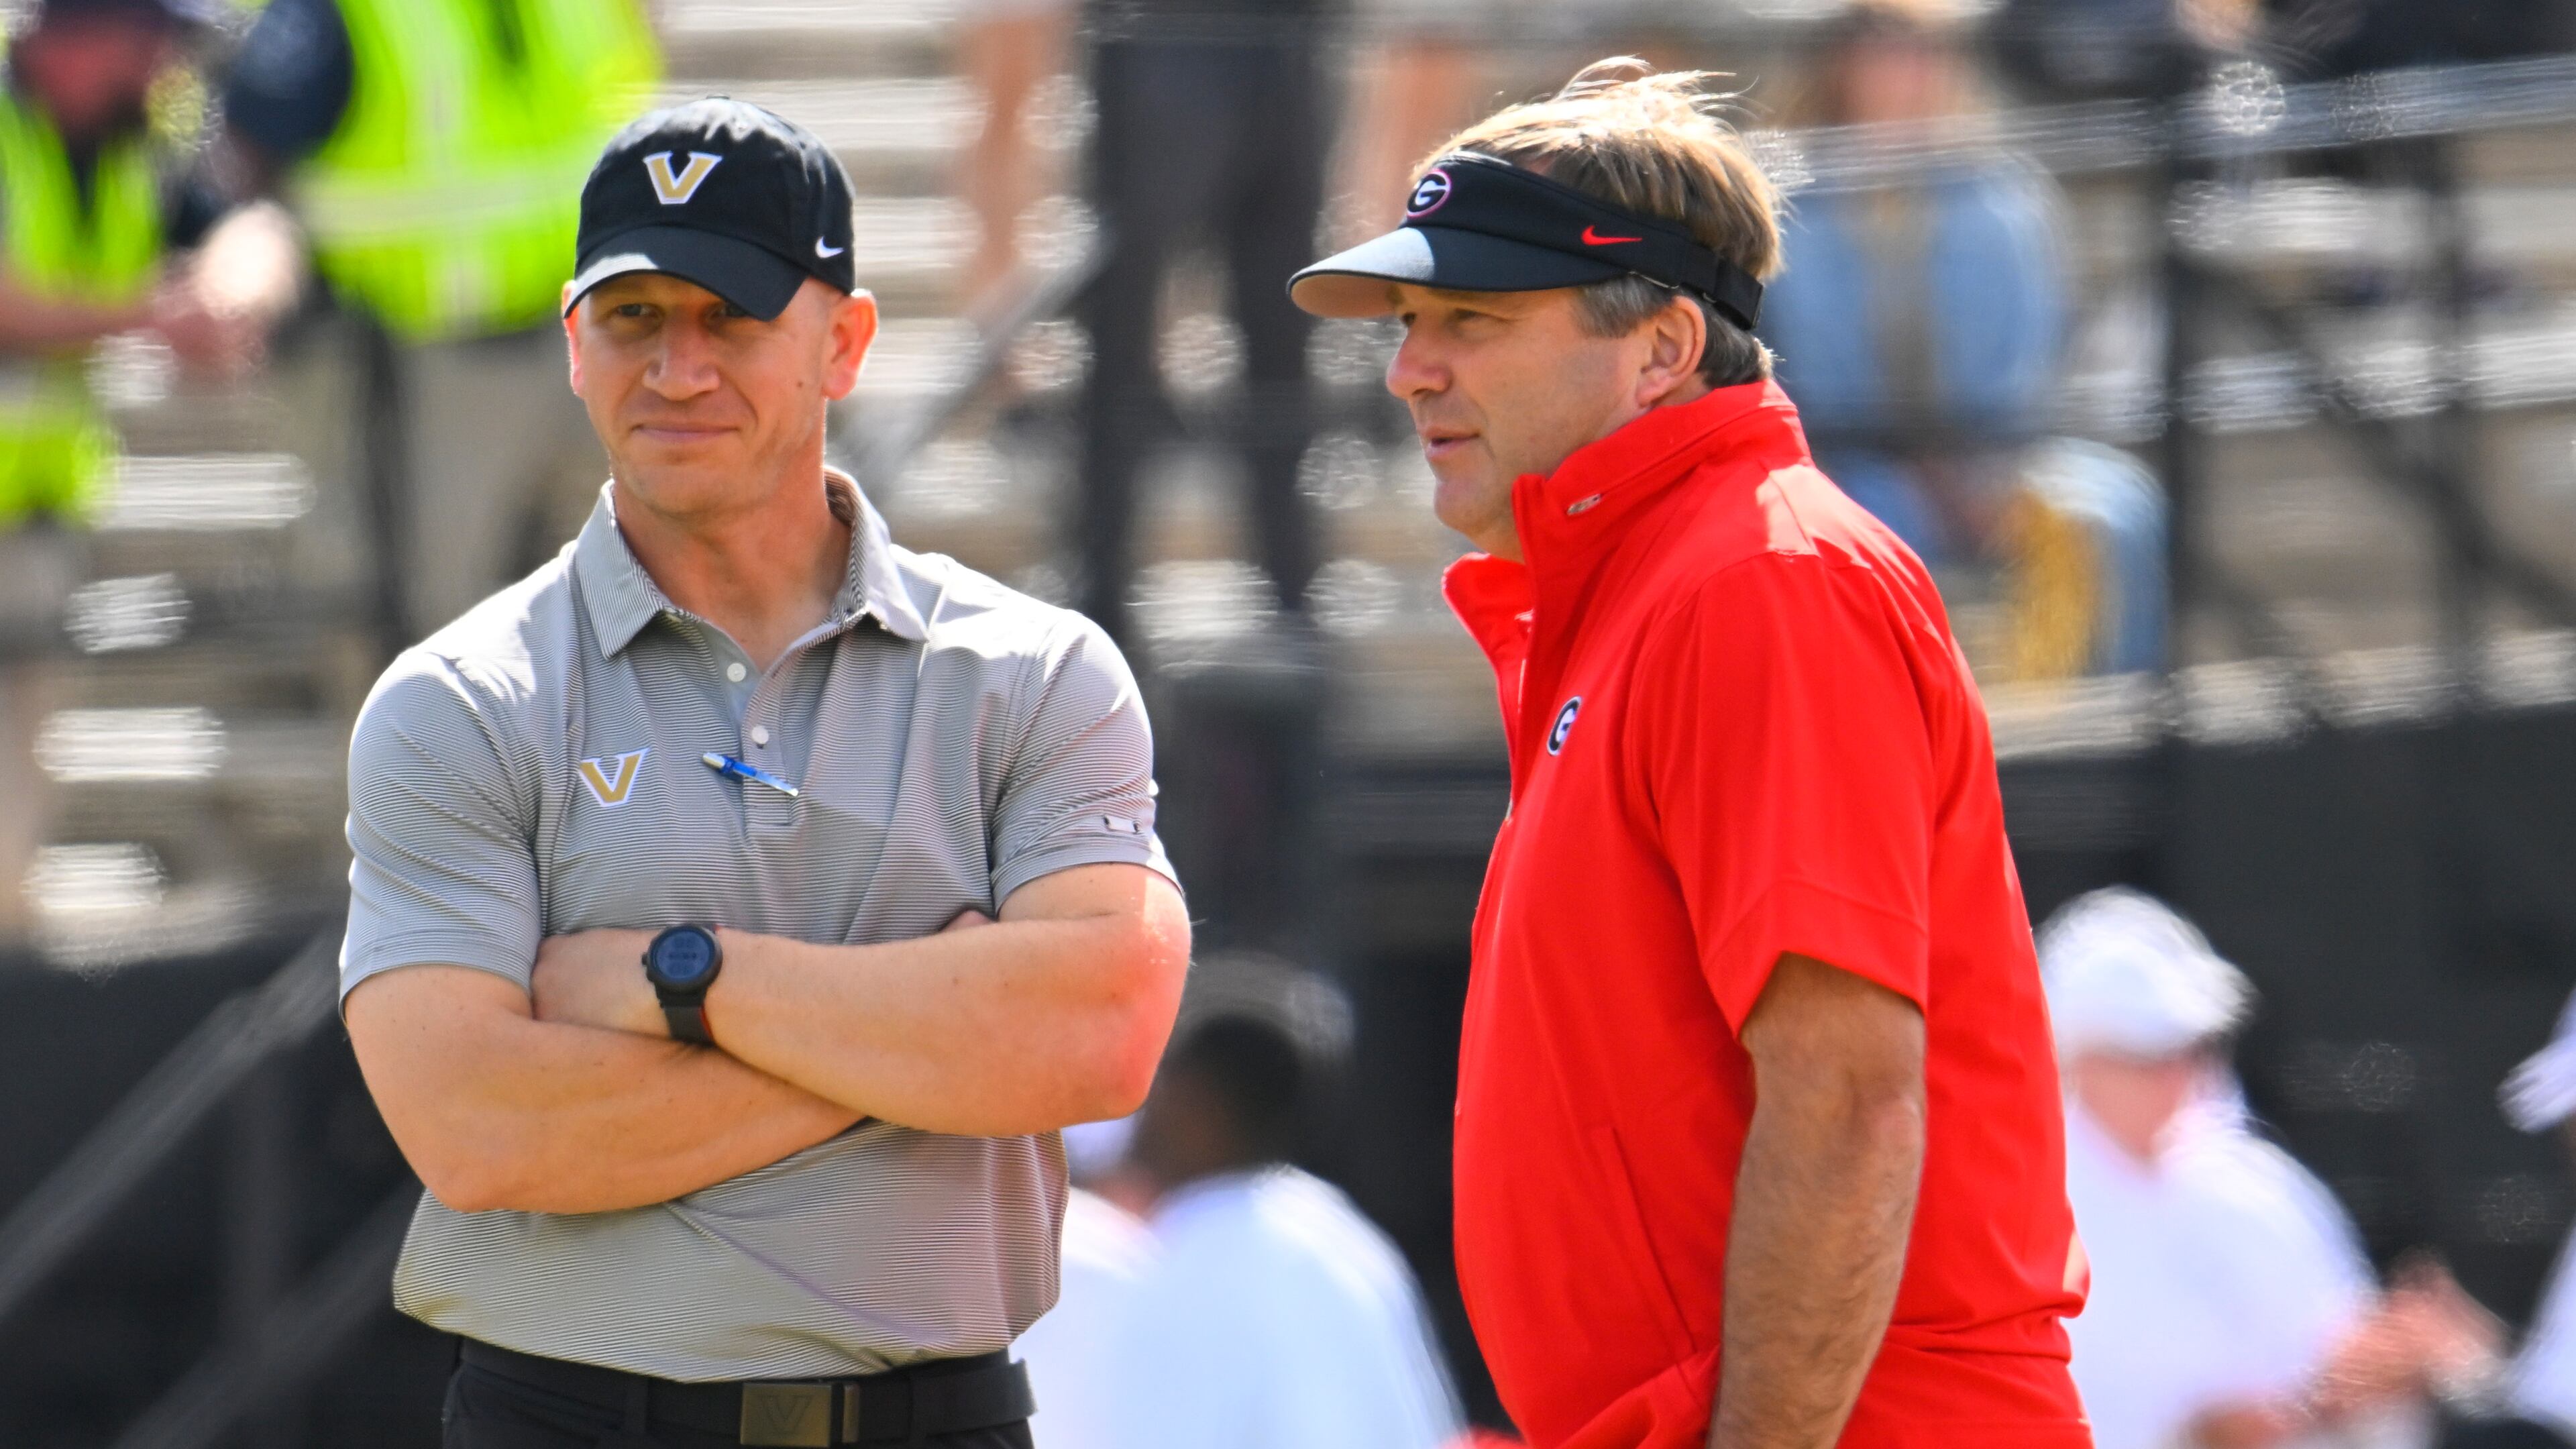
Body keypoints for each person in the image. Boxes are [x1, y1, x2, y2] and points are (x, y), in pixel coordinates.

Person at [337, 99, 1191, 1448]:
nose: (677, 367)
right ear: (573, 341)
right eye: (633, 318)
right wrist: (937, 1041)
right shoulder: (461, 701)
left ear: (844, 342)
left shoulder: (1030, 670)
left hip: (938, 1417)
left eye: (729, 317)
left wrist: (685, 983)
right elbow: (484, 1132)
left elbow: (1099, 1037)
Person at [1289, 61, 2088, 1449]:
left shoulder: (1761, 581)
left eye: (1471, 319)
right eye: (1412, 323)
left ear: (1661, 349)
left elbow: (1844, 1099)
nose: (1412, 368)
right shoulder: (1662, 585)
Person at [218, 0, 659, 645]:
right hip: (423, 362)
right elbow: (249, 145)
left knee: (612, 618)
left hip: (592, 343)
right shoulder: (347, 13)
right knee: (433, 629)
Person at [1760, 0, 2163, 680]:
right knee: (1863, 527)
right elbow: (1794, 364)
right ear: (1840, 64)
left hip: (1997, 450)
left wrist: (1984, 470)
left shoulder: (2005, 197)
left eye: (1925, 51)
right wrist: (1918, 470)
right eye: (1885, 51)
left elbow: (2033, 350)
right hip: (1844, 456)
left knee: (2122, 509)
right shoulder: (1788, 201)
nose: (1909, 71)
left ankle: (2120, 723)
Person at [0, 0, 266, 954]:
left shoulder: (132, 137)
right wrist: (152, 318)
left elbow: (242, 221)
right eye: (150, 38)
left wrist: (228, 290)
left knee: (21, 749)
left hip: (35, 505)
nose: (164, 63)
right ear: (78, 33)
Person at [2040, 887, 2436, 1449]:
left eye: (2187, 1049)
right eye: (2143, 1056)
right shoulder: (2023, 1213)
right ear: (2075, 1057)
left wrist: (2381, 1378)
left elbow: (2345, 1375)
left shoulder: (2264, 1192)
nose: (2175, 1077)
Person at [1073, 0, 1341, 643]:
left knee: (1284, 326)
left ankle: (1291, 591)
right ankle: (1102, 591)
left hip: (1287, 40)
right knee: (1124, 329)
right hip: (1164, 36)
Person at [1106, 1010, 1463, 1449]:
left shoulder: (1201, 1255)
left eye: (1162, 1083)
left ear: (1196, 1103)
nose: (1143, 1111)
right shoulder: (1344, 1235)